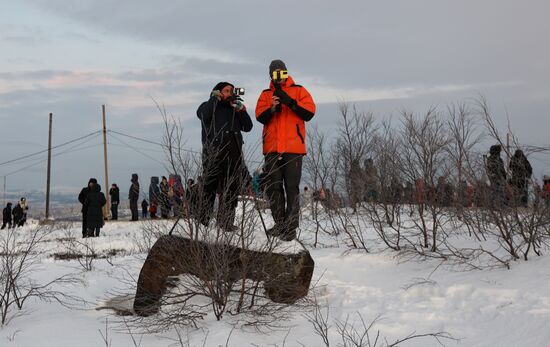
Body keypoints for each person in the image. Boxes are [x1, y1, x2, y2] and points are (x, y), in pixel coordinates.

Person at [255, 59, 316, 241]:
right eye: (275, 73)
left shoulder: (299, 90)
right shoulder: (266, 94)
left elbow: (309, 113)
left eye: (282, 72)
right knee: (274, 187)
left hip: (293, 149)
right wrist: (272, 109)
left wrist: (291, 102)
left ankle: (290, 228)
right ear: (271, 75)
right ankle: (279, 224)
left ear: (286, 72)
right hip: (272, 149)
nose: (279, 76)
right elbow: (259, 116)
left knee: (291, 188)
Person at [197, 81, 253, 231]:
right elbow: (203, 115)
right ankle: (203, 222)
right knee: (209, 188)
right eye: (227, 90)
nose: (230, 93)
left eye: (232, 91)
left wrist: (242, 110)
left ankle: (225, 222)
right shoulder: (208, 106)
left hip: (233, 155)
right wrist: (214, 99)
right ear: (218, 92)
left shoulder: (234, 109)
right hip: (213, 154)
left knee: (231, 189)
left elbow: (248, 127)